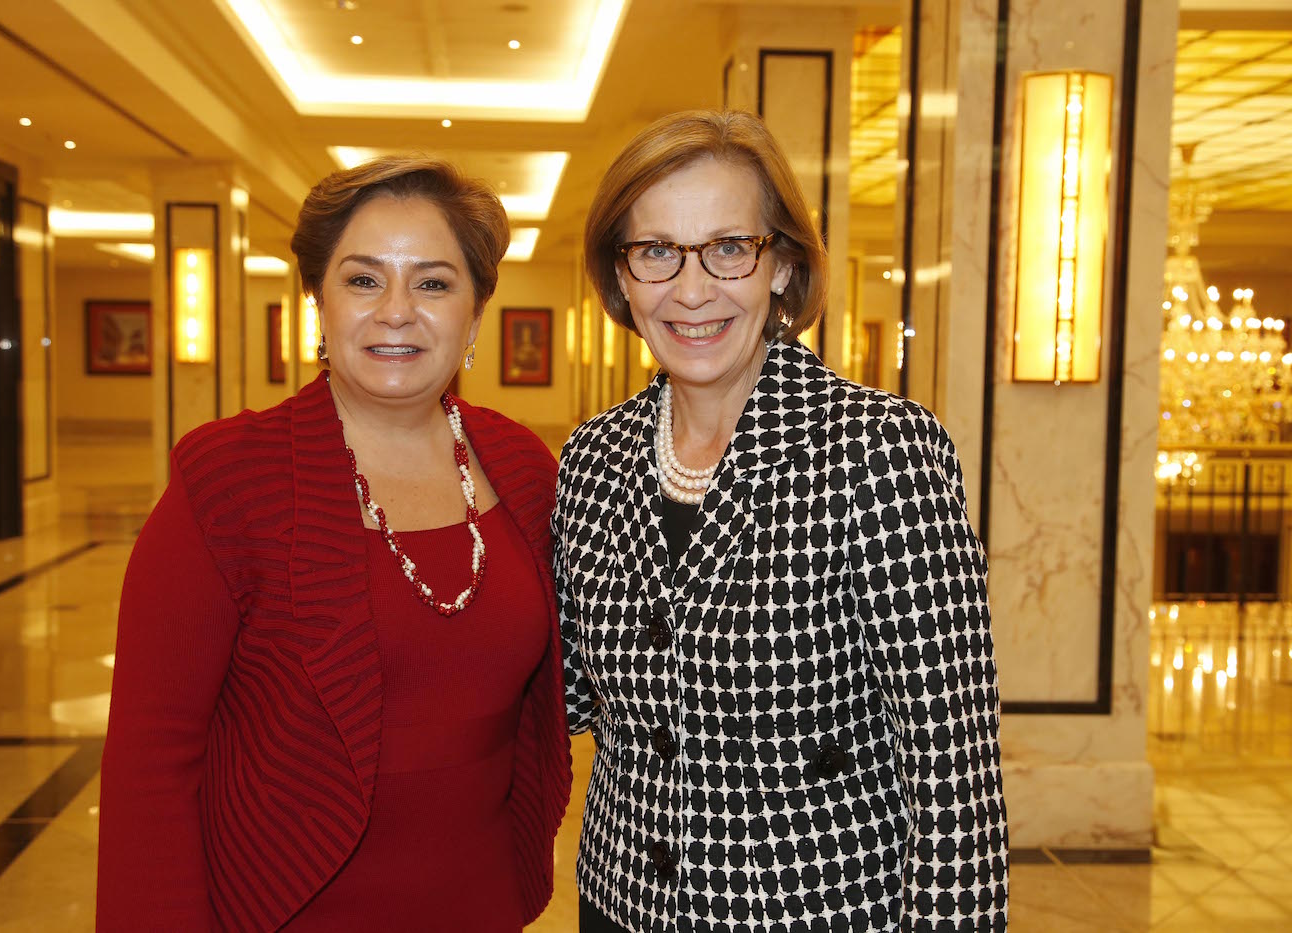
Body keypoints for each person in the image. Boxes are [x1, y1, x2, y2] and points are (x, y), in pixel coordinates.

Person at [556, 110, 1008, 932]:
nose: (691, 289)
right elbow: (568, 698)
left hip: (814, 907)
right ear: (621, 277)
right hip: (623, 901)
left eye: (729, 247)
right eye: (656, 251)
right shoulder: (592, 459)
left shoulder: (880, 451)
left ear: (783, 267)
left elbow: (953, 769)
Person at [98, 157, 572, 932]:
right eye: (362, 279)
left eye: (433, 282)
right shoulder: (228, 480)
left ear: (477, 312)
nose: (396, 311)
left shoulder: (522, 468)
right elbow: (151, 765)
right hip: (289, 908)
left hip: (481, 901)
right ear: (316, 298)